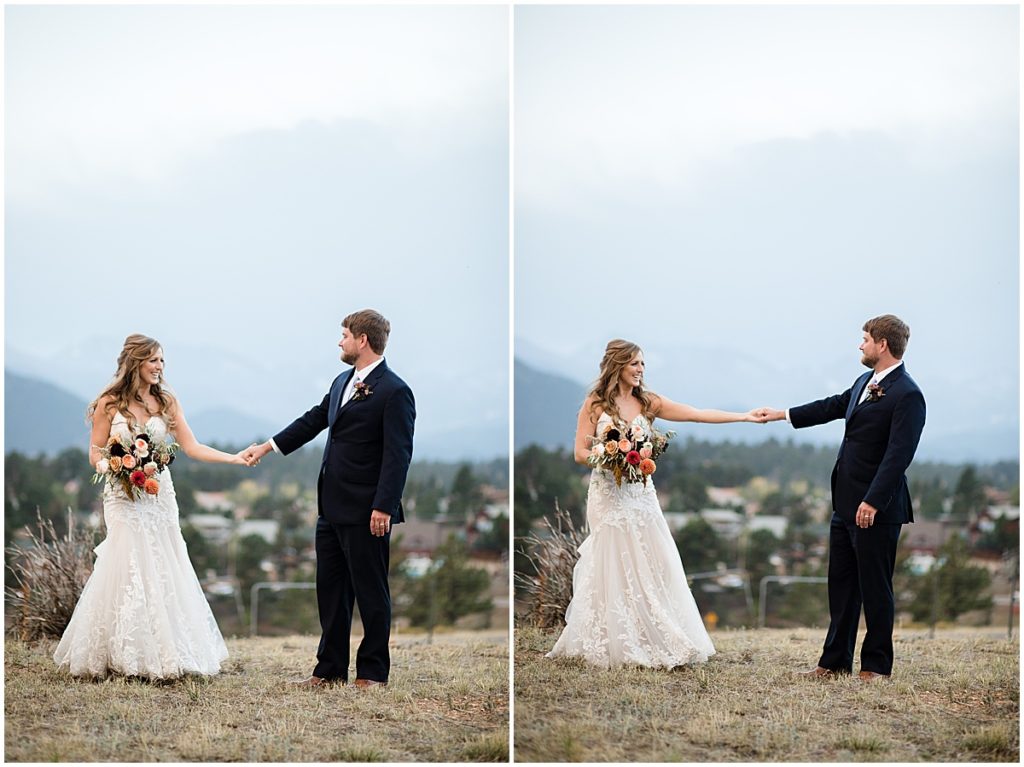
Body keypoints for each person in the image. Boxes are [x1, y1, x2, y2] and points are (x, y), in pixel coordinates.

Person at [547, 338, 765, 668]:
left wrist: (745, 417)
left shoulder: (649, 402)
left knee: (652, 560)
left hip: (641, 495)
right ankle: (613, 638)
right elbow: (579, 453)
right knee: (614, 559)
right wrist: (610, 457)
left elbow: (696, 414)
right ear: (617, 365)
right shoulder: (594, 404)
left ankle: (653, 634)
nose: (640, 369)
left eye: (643, 364)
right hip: (608, 495)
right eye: (635, 363)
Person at [54, 334, 250, 679]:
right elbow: (95, 452)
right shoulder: (109, 403)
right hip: (122, 496)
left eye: (162, 361)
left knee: (163, 561)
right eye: (153, 361)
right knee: (128, 560)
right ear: (136, 363)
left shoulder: (167, 402)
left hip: (159, 495)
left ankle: (164, 649)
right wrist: (115, 468)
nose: (160, 367)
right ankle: (120, 650)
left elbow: (192, 447)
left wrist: (233, 459)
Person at [244, 310, 414, 689]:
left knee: (371, 593)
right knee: (331, 592)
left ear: (362, 340)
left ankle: (372, 672)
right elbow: (314, 420)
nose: (340, 342)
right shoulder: (341, 382)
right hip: (331, 508)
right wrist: (268, 447)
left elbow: (398, 454)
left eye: (344, 335)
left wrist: (384, 506)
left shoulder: (395, 391)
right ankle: (329, 669)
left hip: (369, 511)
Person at [758, 314, 925, 681]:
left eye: (865, 339)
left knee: (875, 588)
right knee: (843, 586)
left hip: (877, 509)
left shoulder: (908, 394)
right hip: (845, 504)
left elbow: (899, 455)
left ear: (882, 344)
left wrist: (874, 501)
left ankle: (877, 666)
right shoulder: (865, 381)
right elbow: (833, 405)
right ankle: (834, 662)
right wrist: (782, 414)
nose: (860, 345)